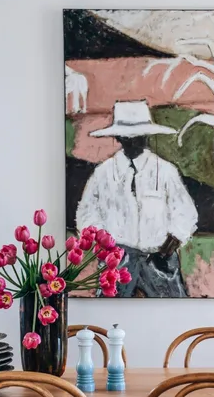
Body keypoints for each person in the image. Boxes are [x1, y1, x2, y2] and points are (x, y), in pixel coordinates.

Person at [76, 101, 198, 298]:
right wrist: (106, 245)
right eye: (127, 138)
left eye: (138, 137)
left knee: (174, 311)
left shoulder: (165, 171)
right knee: (109, 313)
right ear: (118, 137)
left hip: (159, 259)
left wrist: (171, 242)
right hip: (117, 261)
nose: (133, 142)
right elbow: (86, 214)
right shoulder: (103, 173)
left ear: (147, 136)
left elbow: (186, 212)